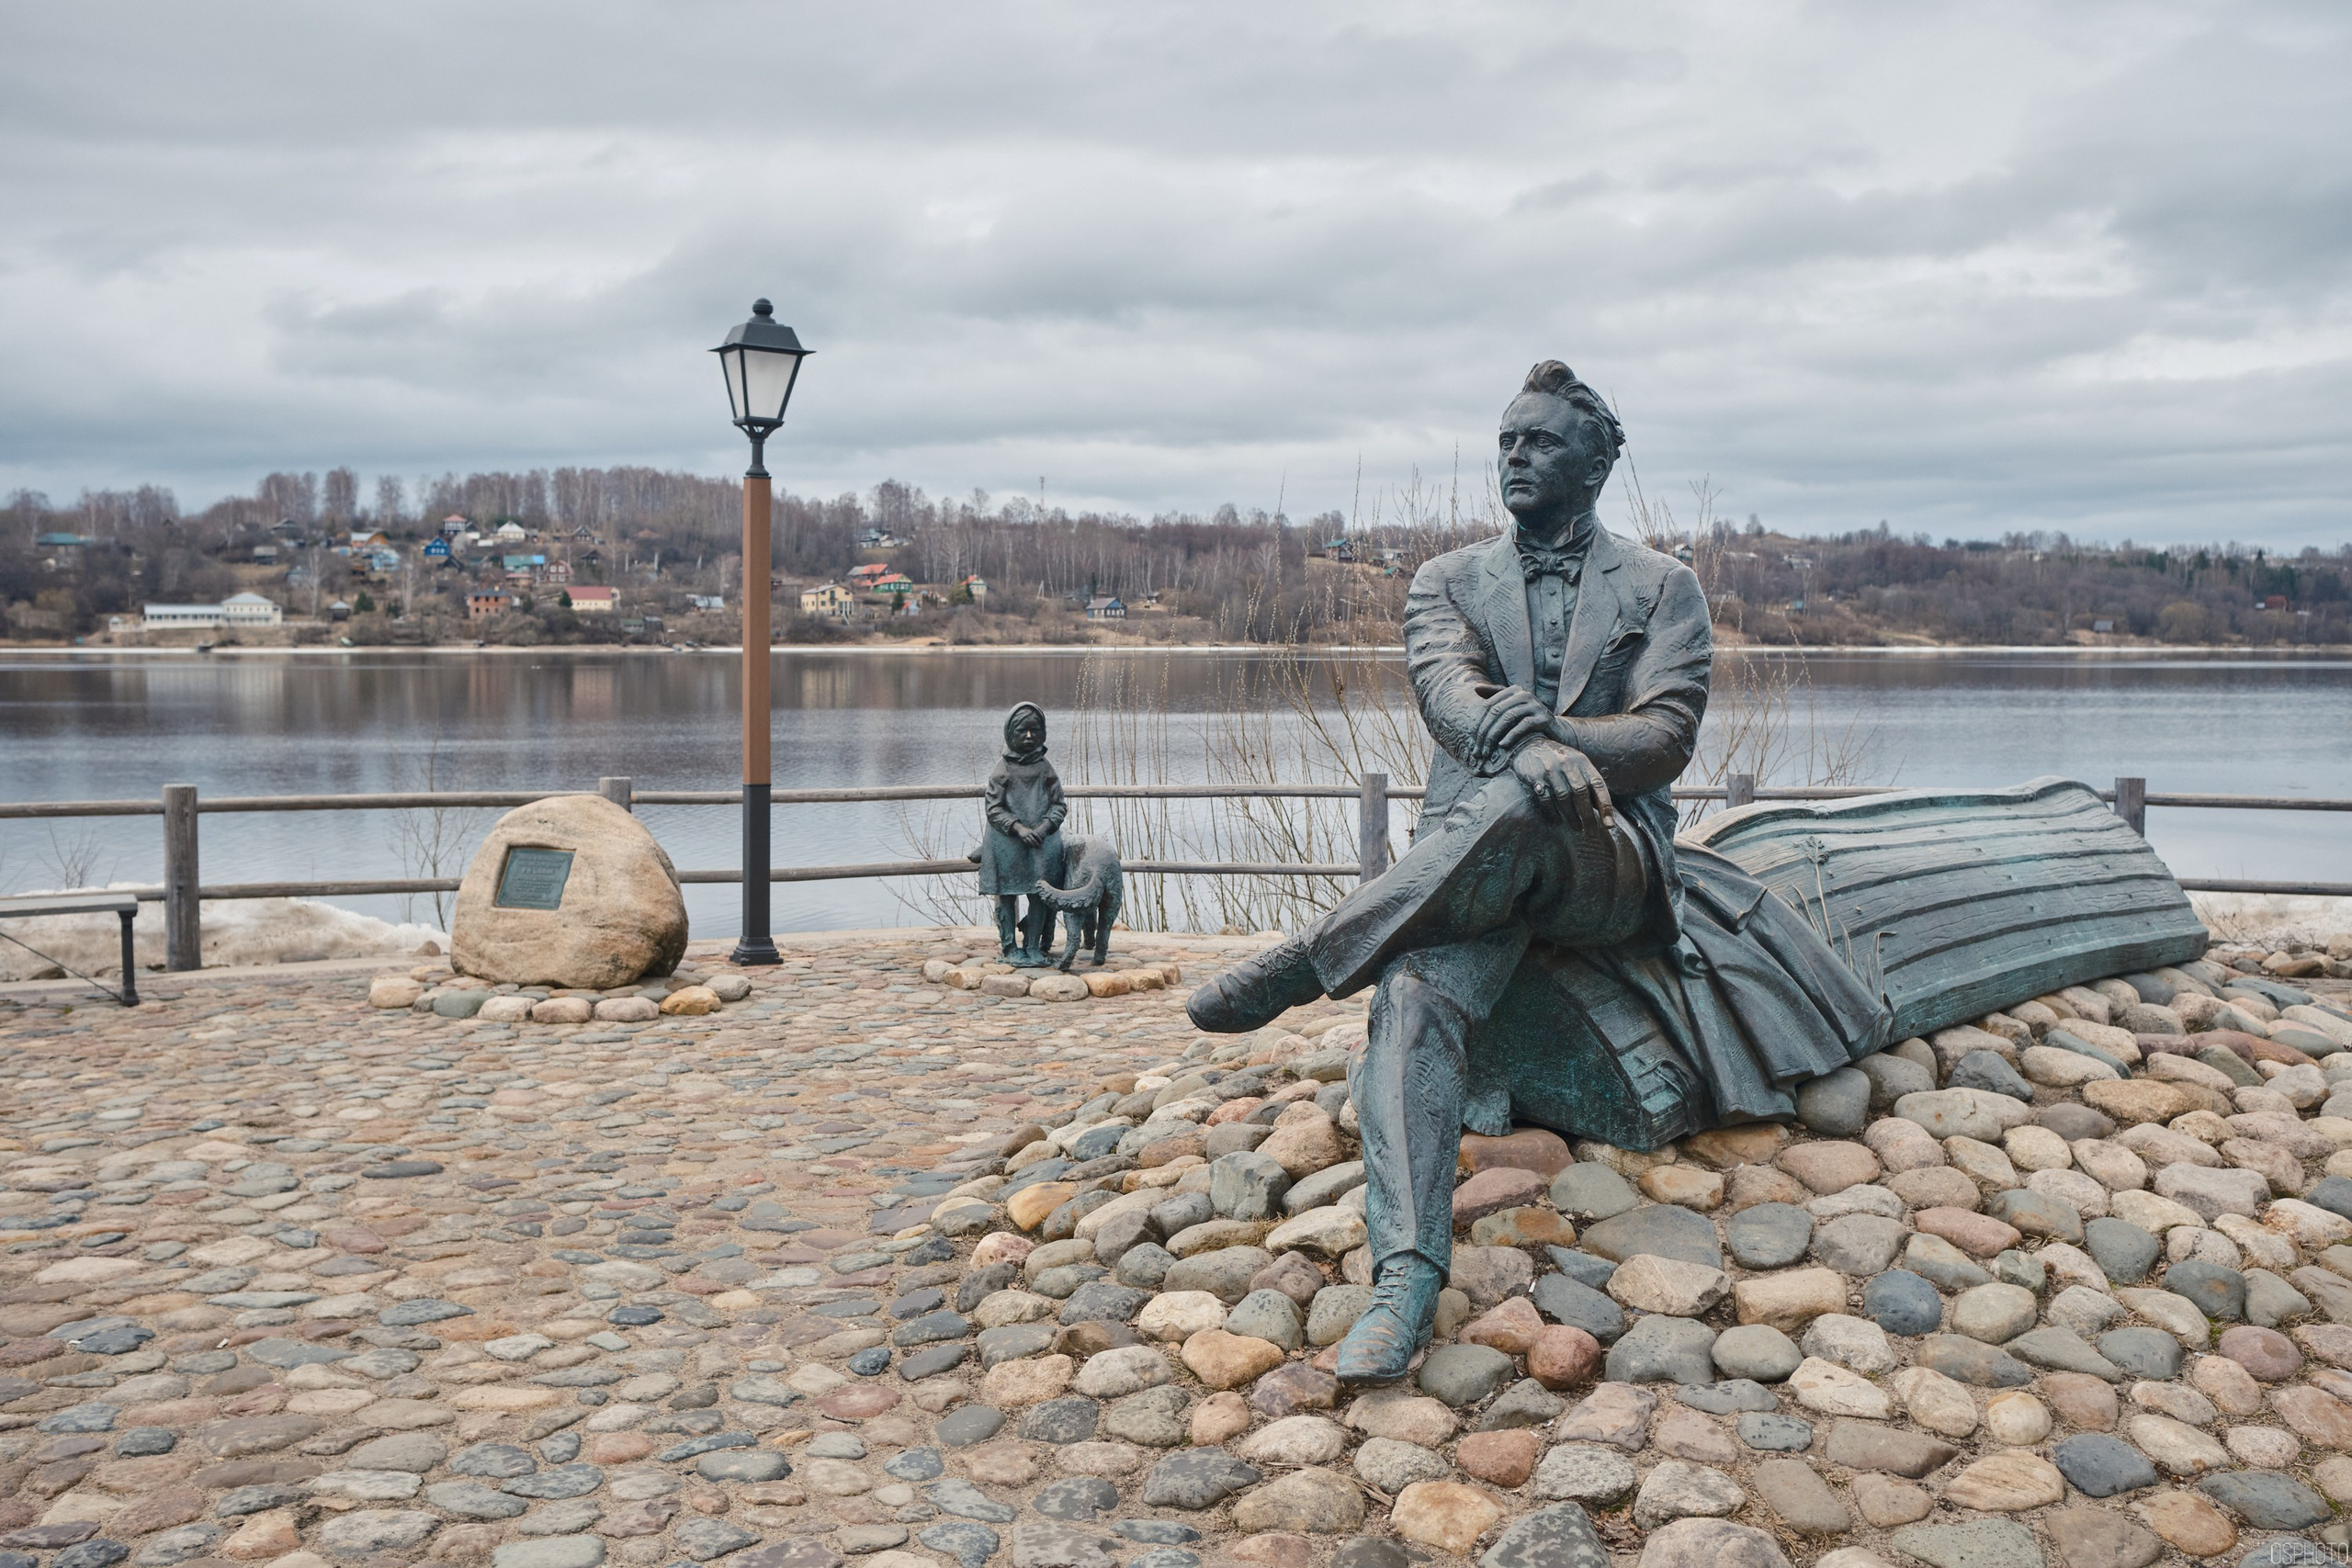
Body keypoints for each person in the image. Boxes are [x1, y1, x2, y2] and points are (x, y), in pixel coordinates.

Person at [1186, 361, 1884, 1382]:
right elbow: (1446, 695)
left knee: (1521, 797)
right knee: (1415, 1003)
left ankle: (1312, 957)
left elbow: (1663, 737)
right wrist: (1525, 748)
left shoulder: (1661, 587)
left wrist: (1554, 742)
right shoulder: (1445, 581)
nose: (1514, 455)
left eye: (1540, 441)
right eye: (1506, 439)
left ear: (1597, 463)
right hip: (1471, 868)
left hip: (1605, 866)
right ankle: (1406, 1279)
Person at [976, 702, 1068, 966]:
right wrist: (1018, 828)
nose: (1029, 736)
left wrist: (1043, 828)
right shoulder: (1002, 768)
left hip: (1040, 843)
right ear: (1010, 733)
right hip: (1006, 842)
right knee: (1006, 894)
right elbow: (993, 808)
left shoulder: (1045, 768)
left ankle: (1034, 946)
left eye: (1034, 730)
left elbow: (1059, 804)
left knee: (1039, 894)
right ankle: (1009, 947)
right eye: (1022, 731)